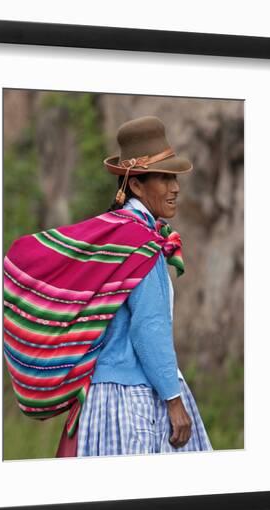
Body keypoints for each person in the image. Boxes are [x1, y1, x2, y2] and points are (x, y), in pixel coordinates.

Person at [75, 115, 213, 456]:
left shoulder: (113, 236)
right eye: (164, 178)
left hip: (102, 397)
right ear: (136, 186)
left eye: (175, 177)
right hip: (136, 400)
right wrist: (173, 399)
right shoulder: (141, 243)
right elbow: (148, 327)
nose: (175, 187)